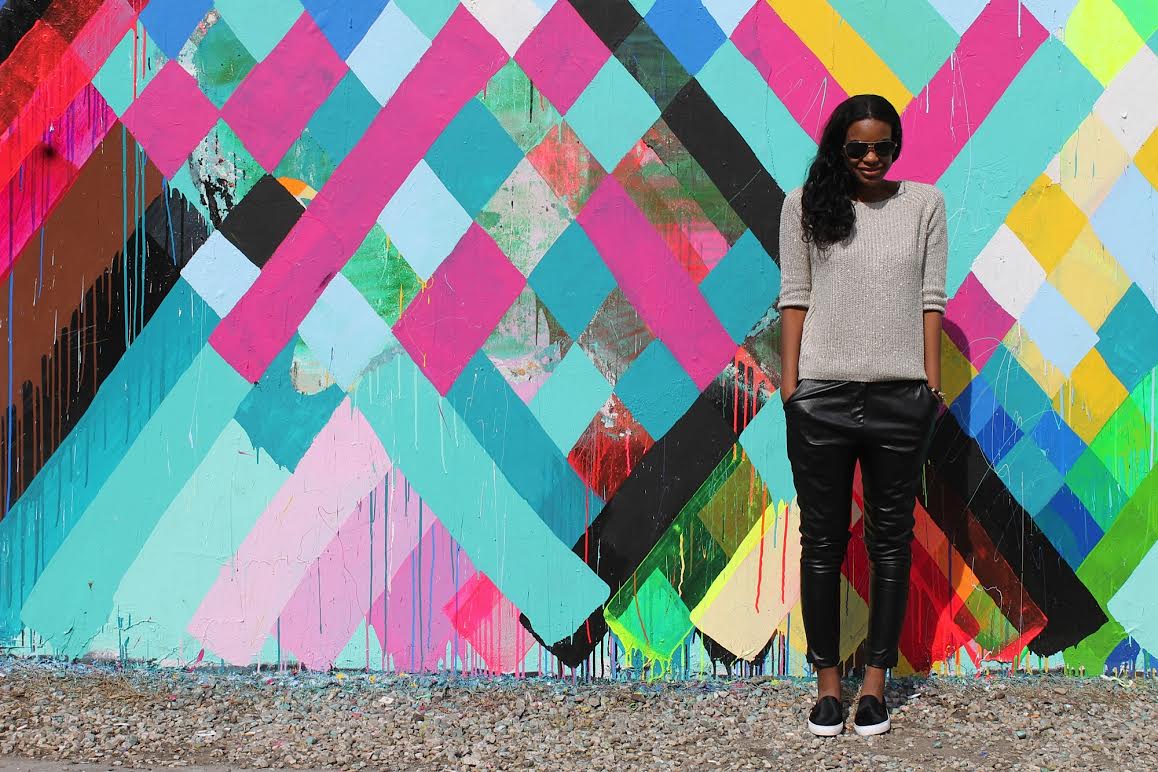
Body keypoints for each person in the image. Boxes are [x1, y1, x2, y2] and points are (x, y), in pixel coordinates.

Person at [776, 94, 947, 737]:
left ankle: (875, 683)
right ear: (839, 149)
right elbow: (795, 297)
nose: (872, 158)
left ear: (896, 145)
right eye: (858, 148)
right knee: (822, 542)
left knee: (890, 543)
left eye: (883, 146)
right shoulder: (804, 205)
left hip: (900, 399)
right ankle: (827, 685)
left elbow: (931, 299)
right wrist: (791, 388)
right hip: (821, 398)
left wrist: (931, 384)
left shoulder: (925, 204)